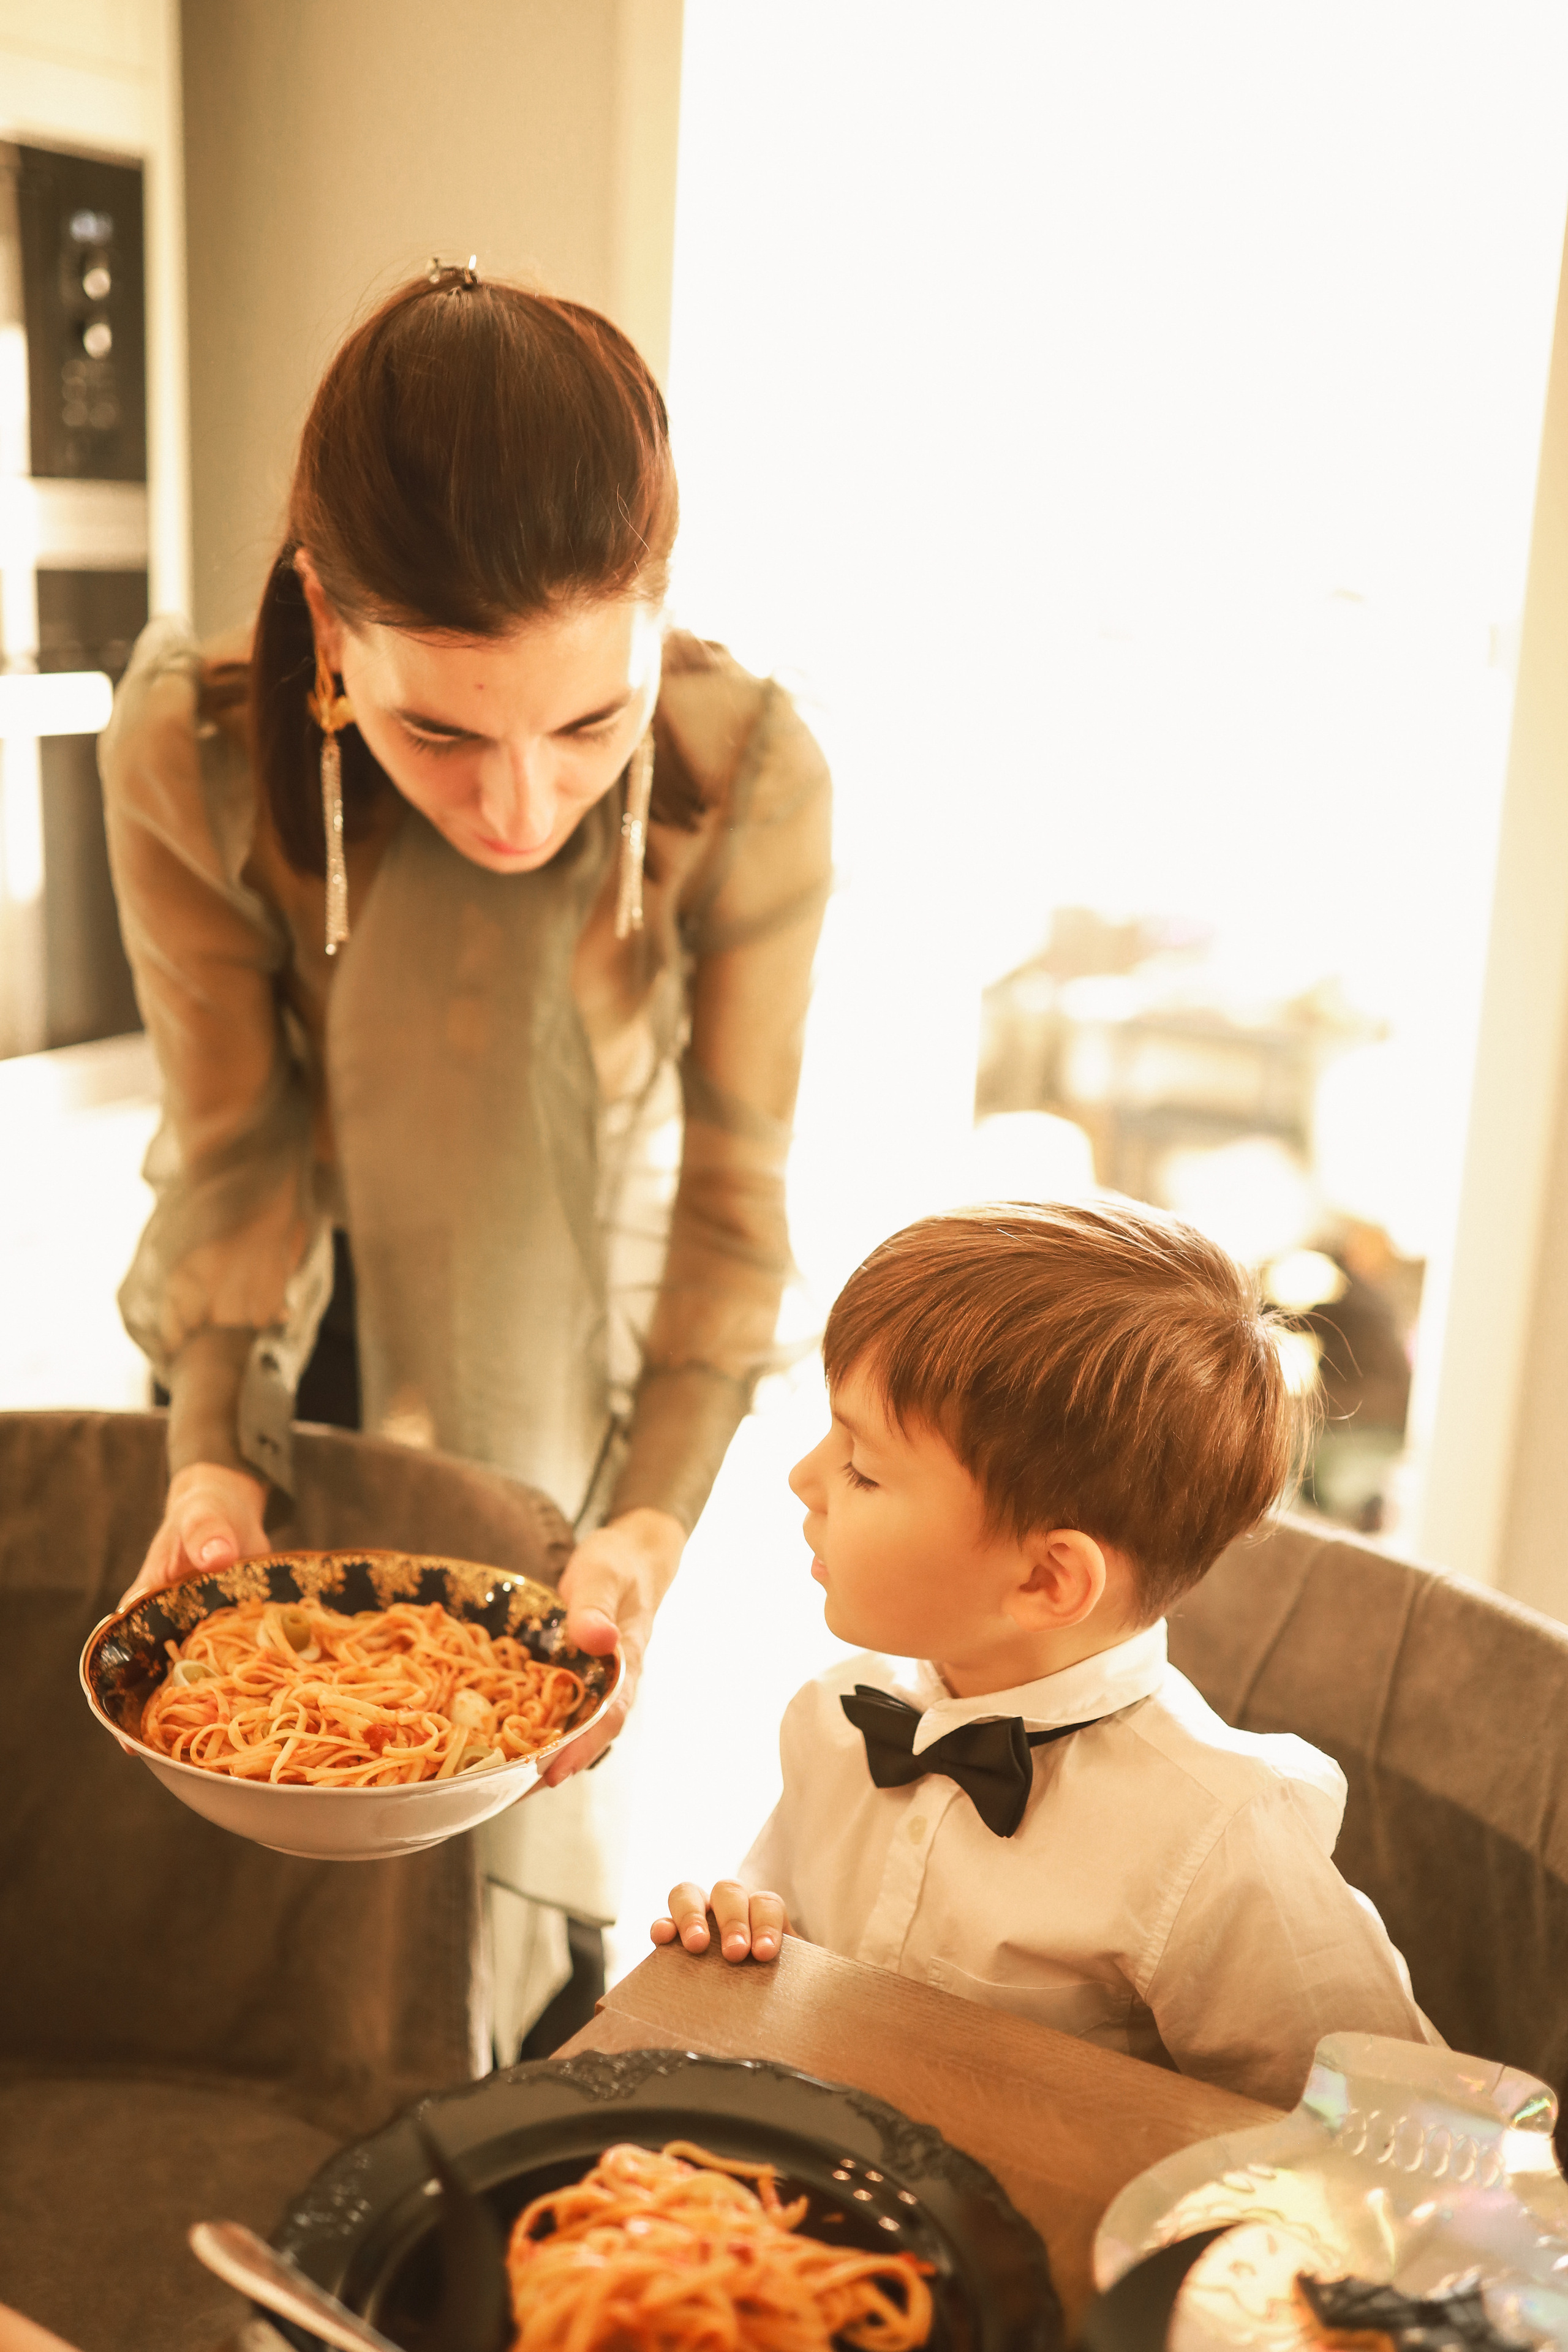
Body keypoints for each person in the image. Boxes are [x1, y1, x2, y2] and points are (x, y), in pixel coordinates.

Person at [100, 265, 831, 2050]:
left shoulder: (749, 776)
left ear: (661, 629)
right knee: (265, 1944)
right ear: (330, 638)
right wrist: (210, 1470)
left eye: (592, 725)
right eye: (439, 731)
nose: (519, 809)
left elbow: (731, 1214)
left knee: (501, 1909)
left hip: (568, 1376)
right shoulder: (188, 760)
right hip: (278, 1341)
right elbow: (234, 1158)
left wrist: (644, 1537)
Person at [652, 1200, 1436, 2111]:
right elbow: (784, 1923)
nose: (804, 1478)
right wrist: (748, 1924)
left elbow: (1397, 2131)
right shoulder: (836, 1716)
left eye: (863, 1467)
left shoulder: (1218, 1846)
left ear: (1047, 1581)